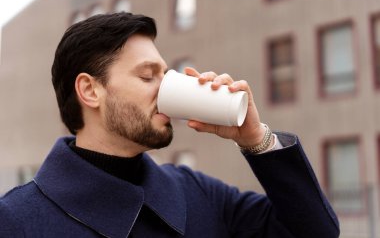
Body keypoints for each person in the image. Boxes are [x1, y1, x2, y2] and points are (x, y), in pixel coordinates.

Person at [0, 13, 339, 238]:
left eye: (166, 75)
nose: (164, 90)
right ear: (90, 90)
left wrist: (255, 138)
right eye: (148, 76)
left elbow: (315, 232)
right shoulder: (16, 220)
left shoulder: (195, 192)